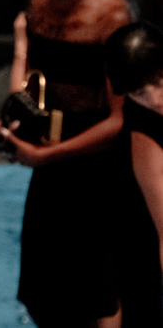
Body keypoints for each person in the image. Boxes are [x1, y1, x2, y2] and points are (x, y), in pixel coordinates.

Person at [0, 0, 131, 327]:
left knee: (95, 293)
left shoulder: (113, 12)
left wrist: (48, 156)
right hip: (48, 159)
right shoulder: (41, 0)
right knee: (42, 290)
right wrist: (13, 121)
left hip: (95, 167)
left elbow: (119, 120)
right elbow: (27, 82)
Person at [105, 21, 163, 327]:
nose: (155, 100)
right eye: (140, 92)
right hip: (140, 244)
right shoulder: (144, 130)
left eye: (161, 82)